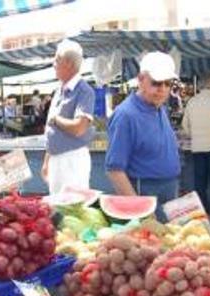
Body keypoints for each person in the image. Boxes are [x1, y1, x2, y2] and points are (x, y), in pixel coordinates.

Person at [105, 51, 181, 220]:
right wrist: (139, 210)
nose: (162, 89)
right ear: (140, 79)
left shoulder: (159, 107)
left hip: (168, 190)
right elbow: (114, 170)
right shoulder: (125, 115)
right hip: (144, 190)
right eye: (156, 83)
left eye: (168, 84)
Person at [41, 39, 96, 195]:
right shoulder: (59, 90)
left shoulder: (84, 91)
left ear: (69, 64)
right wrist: (47, 160)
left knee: (72, 207)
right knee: (57, 208)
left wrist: (56, 119)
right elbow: (52, 131)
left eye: (57, 59)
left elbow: (79, 128)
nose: (53, 63)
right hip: (57, 160)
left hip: (72, 160)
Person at [181, 73, 210, 215]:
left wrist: (194, 135)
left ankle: (202, 209)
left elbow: (185, 125)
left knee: (199, 181)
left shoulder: (192, 101)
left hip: (197, 146)